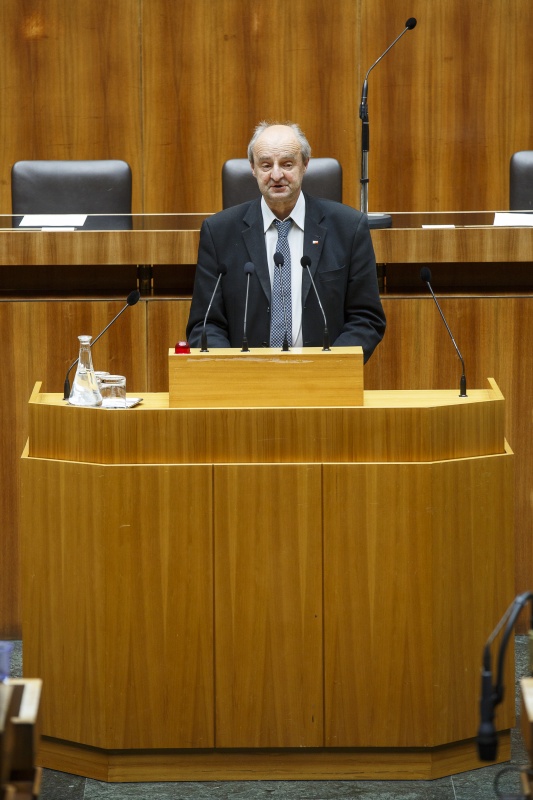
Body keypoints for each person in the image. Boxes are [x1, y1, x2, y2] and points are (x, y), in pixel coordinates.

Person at [186, 121, 386, 362]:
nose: (277, 175)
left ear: (305, 165)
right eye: (266, 165)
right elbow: (205, 324)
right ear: (253, 168)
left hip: (324, 383)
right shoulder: (218, 232)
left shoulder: (348, 228)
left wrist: (330, 368)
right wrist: (234, 371)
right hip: (245, 384)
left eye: (287, 164)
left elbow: (366, 318)